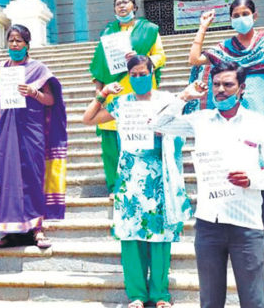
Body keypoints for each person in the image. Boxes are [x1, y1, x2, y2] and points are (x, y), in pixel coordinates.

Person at [152, 61, 264, 308]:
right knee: (210, 301)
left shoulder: (259, 123)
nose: (221, 90)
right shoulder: (200, 120)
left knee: (253, 300)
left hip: (246, 226)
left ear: (242, 88)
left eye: (228, 84)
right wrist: (184, 96)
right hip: (208, 225)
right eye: (216, 85)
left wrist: (252, 179)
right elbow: (157, 124)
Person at [82, 56, 193, 308]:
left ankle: (160, 294)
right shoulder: (122, 103)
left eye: (144, 74)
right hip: (130, 176)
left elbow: (184, 130)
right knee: (131, 234)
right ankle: (137, 294)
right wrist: (103, 93)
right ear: (129, 76)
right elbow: (88, 119)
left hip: (159, 174)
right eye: (134, 74)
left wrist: (165, 132)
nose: (139, 78)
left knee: (160, 234)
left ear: (152, 73)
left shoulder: (166, 100)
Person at [188, 0, 264, 251]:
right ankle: (234, 227)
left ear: (255, 15)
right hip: (232, 114)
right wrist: (203, 26)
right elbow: (194, 59)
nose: (241, 18)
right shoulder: (225, 47)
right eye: (235, 15)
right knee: (234, 170)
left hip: (262, 110)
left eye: (245, 13)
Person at [0, 24, 67, 248]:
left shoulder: (38, 68)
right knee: (4, 178)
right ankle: (10, 230)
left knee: (33, 176)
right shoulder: (0, 67)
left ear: (27, 44)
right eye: (11, 40)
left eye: (19, 41)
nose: (14, 44)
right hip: (5, 129)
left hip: (31, 130)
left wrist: (33, 92)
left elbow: (51, 100)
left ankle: (37, 229)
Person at [89, 0, 166, 199]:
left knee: (139, 138)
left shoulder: (149, 30)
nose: (121, 6)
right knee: (112, 142)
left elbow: (160, 56)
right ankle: (115, 186)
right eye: (118, 4)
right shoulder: (107, 34)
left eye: (125, 2)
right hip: (114, 93)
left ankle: (143, 182)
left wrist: (142, 59)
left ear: (134, 6)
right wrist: (99, 93)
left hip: (140, 90)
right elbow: (98, 67)